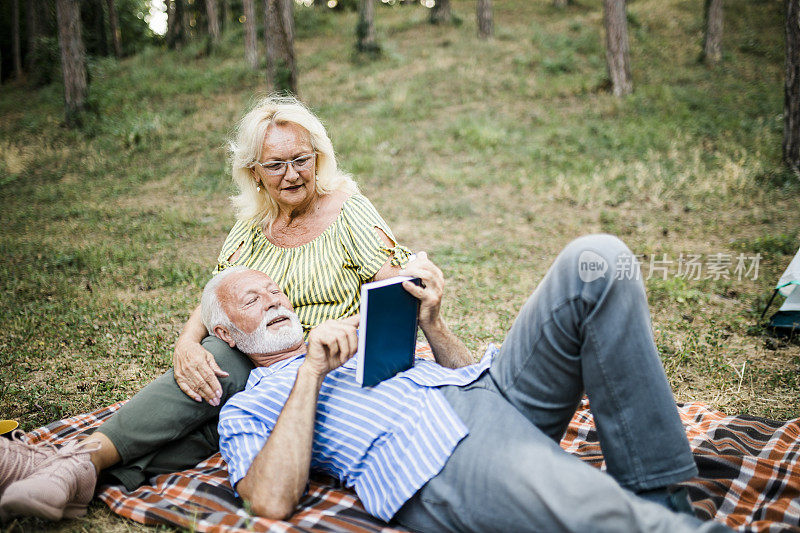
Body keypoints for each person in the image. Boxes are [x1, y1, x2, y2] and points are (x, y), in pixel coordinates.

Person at [0, 96, 410, 521]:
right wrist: (186, 343)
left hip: (320, 363)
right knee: (212, 372)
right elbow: (218, 292)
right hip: (257, 356)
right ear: (254, 172)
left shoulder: (347, 211)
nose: (291, 174)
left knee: (217, 398)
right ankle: (74, 471)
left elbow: (395, 290)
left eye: (301, 159)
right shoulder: (253, 225)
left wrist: (352, 333)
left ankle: (68, 466)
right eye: (275, 165)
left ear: (319, 158)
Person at [211, 238, 726, 532]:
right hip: (437, 452)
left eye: (276, 292)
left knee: (598, 261)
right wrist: (310, 374)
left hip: (497, 393)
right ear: (224, 332)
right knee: (608, 515)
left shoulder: (353, 339)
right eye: (254, 300)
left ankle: (655, 488)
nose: (276, 301)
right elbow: (269, 501)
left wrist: (432, 324)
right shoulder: (249, 405)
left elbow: (460, 372)